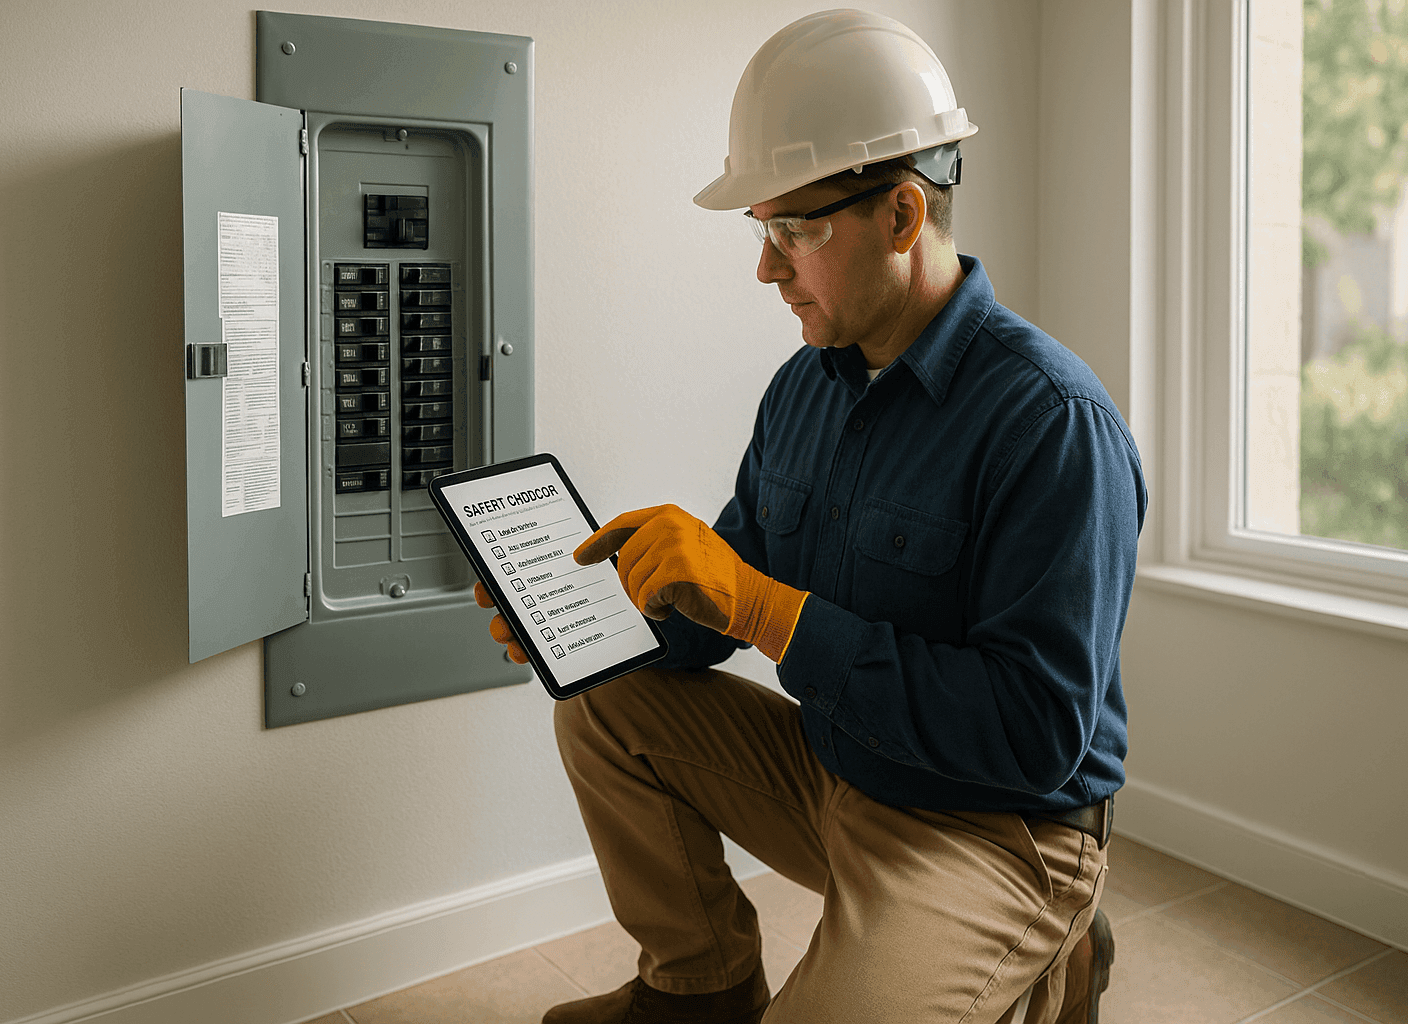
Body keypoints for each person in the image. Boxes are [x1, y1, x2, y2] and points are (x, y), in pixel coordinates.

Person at [474, 10, 1145, 1023]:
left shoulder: (1050, 422)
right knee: (603, 706)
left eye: (796, 230)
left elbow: (1036, 733)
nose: (767, 267)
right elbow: (720, 603)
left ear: (903, 215)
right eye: (763, 232)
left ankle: (1048, 945)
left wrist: (774, 614)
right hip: (838, 771)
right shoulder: (805, 390)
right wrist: (595, 617)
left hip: (999, 832)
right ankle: (698, 988)